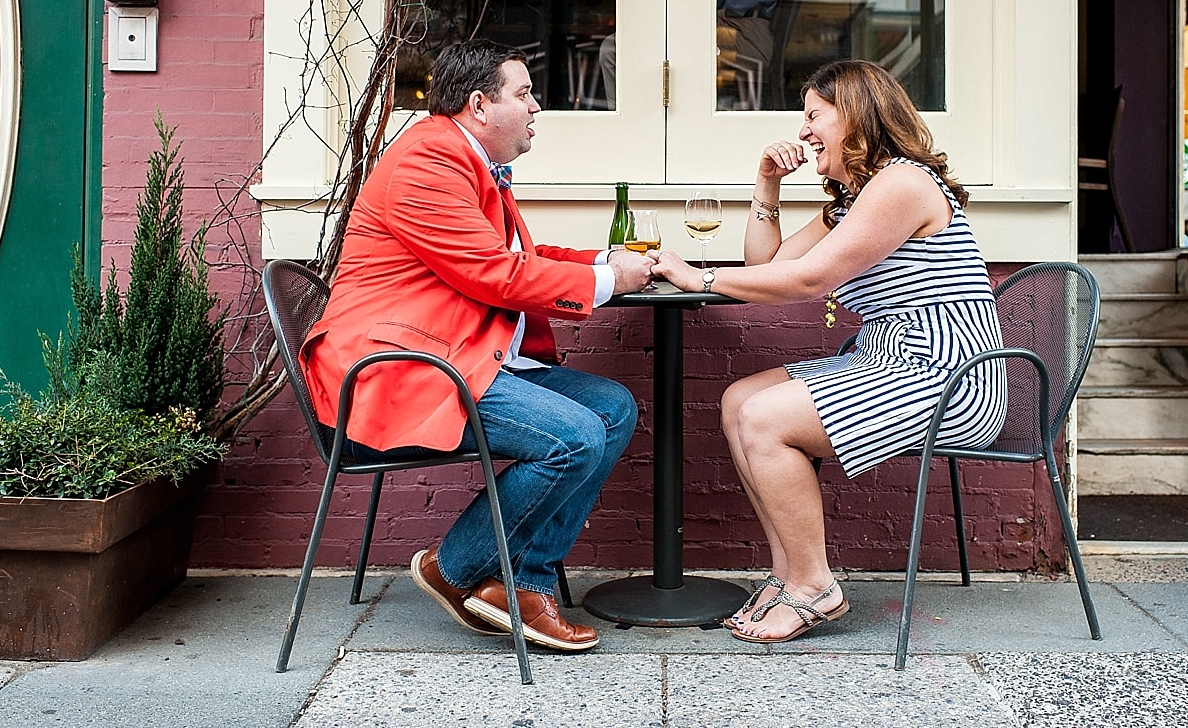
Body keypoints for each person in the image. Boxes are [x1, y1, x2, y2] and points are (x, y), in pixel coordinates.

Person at [299, 39, 655, 653]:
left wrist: (606, 260)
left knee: (613, 407)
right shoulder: (429, 162)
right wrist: (607, 282)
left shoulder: (471, 163)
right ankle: (459, 568)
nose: (537, 106)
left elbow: (516, 258)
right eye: (524, 94)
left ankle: (517, 582)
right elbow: (494, 274)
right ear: (479, 105)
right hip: (404, 370)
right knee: (575, 436)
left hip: (460, 355)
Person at [649, 59, 1006, 644]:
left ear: (857, 115)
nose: (805, 130)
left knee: (765, 419)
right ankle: (789, 573)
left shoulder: (904, 184)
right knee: (741, 398)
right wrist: (767, 183)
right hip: (888, 358)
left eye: (814, 115)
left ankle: (816, 587)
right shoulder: (855, 199)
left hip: (950, 373)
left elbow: (809, 281)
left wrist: (702, 279)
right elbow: (767, 267)